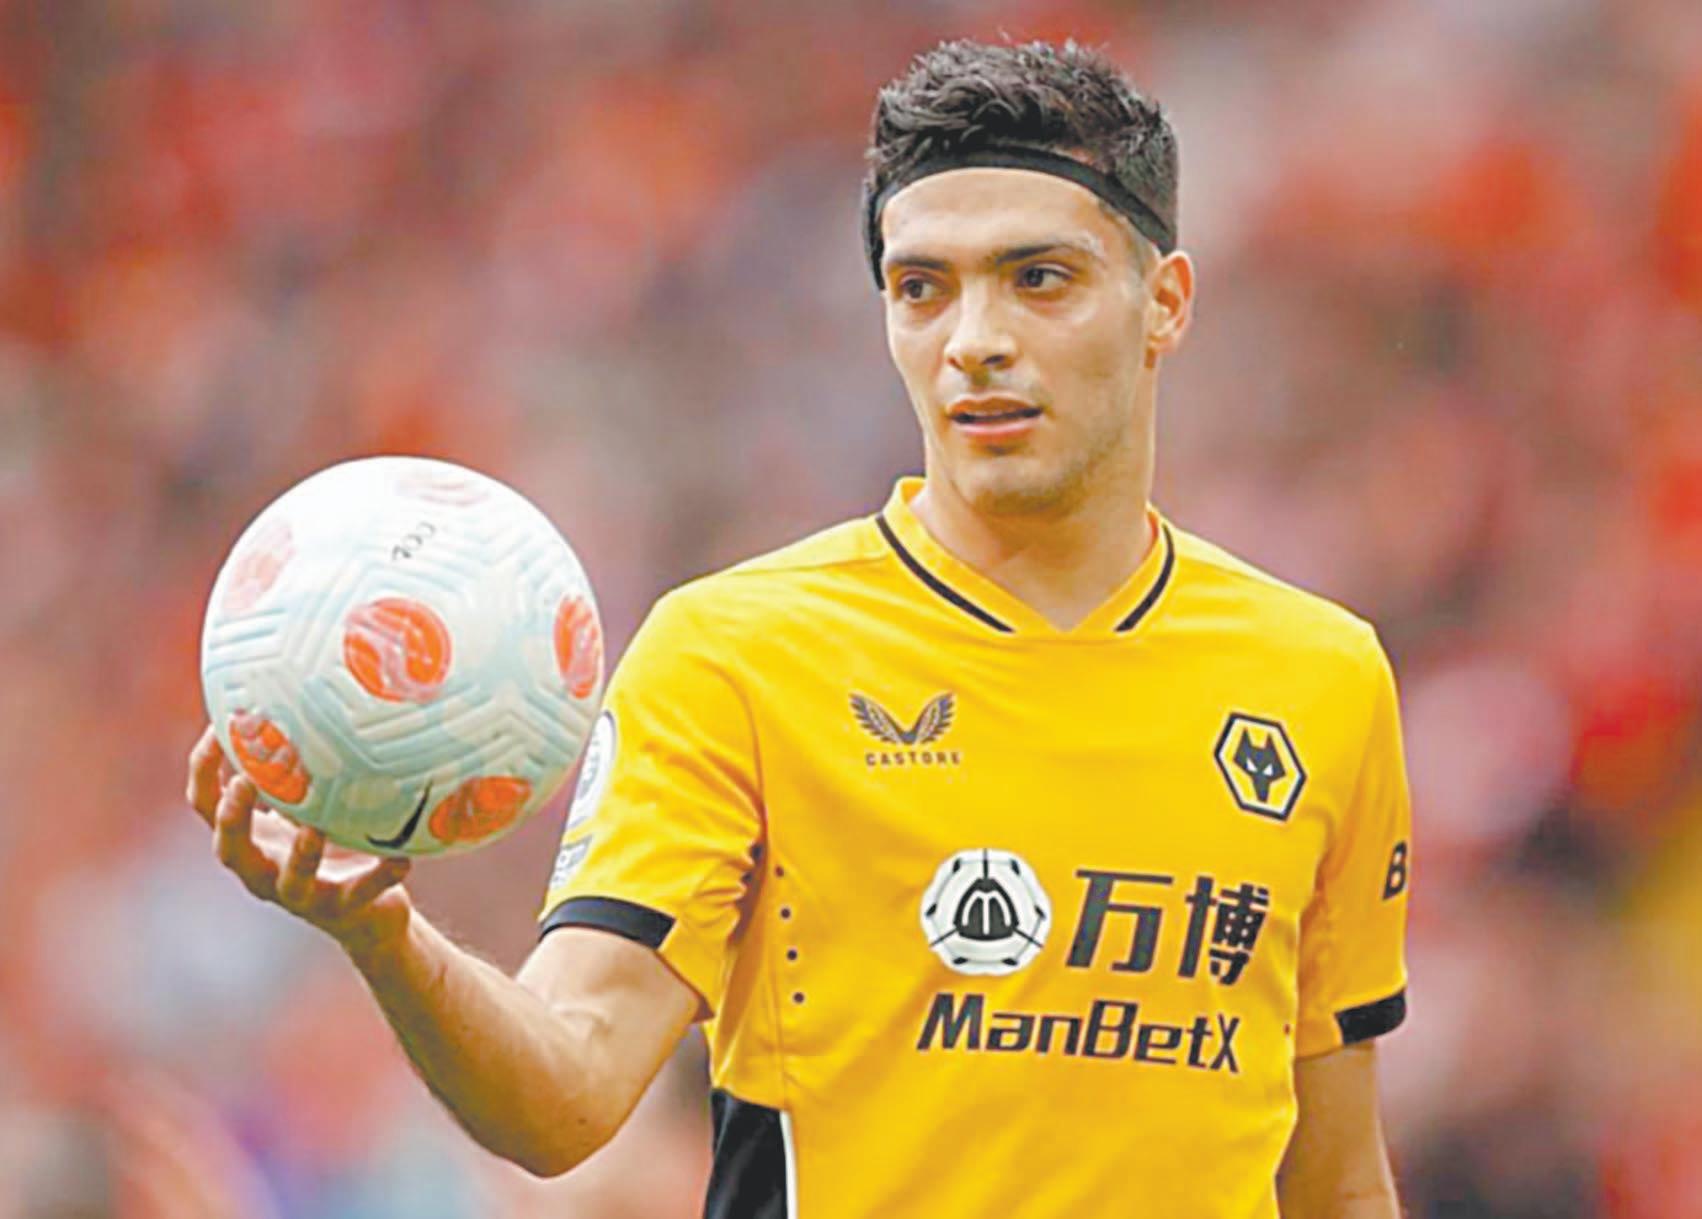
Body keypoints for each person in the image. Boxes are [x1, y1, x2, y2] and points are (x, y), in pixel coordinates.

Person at [187, 38, 1410, 1218]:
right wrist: (385, 936)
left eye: (1038, 279)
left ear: (1165, 302)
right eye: (921, 288)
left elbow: (1338, 1183)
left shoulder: (1319, 678)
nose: (973, 341)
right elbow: (564, 1091)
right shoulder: (734, 656)